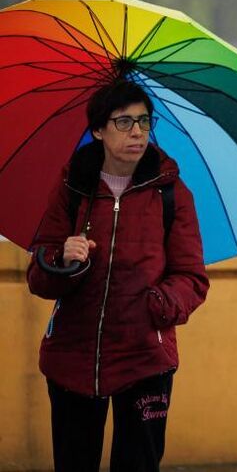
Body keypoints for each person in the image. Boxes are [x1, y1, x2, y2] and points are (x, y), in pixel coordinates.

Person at [27, 78, 209, 472]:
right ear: (98, 130)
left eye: (144, 121)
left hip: (145, 359)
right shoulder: (72, 187)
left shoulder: (172, 193)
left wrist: (156, 305)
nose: (137, 132)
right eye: (124, 122)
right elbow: (38, 275)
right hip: (72, 359)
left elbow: (192, 278)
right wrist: (63, 259)